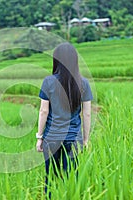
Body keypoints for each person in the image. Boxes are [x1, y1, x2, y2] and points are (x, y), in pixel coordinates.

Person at [35, 42, 93, 197]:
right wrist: (86, 139)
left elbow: (43, 111)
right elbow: (87, 114)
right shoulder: (84, 83)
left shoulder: (48, 81)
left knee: (51, 179)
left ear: (56, 61)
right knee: (71, 179)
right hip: (74, 138)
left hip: (52, 138)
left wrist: (40, 137)